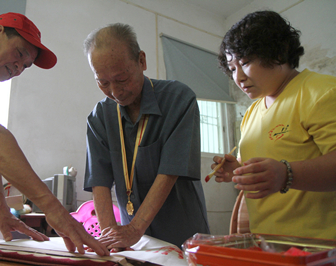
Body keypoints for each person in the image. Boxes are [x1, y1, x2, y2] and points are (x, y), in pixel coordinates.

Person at [0, 12, 109, 256]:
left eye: (26, 65)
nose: (19, 67)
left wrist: (2, 210)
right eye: (19, 54)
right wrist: (52, 208)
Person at [83, 23, 210, 249]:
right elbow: (99, 183)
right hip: (134, 242)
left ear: (141, 61)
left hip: (182, 233)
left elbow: (170, 172)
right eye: (102, 82)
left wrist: (134, 229)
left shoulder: (178, 99)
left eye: (121, 79)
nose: (115, 91)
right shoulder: (100, 117)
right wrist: (108, 238)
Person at [212, 10, 336, 239]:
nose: (237, 77)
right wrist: (237, 170)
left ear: (277, 52)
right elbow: (270, 163)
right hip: (268, 244)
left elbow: (282, 169)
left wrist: (286, 174)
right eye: (232, 69)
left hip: (319, 246)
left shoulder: (321, 92)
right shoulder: (251, 113)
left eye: (245, 62)